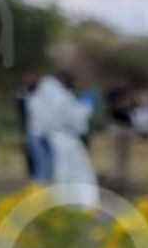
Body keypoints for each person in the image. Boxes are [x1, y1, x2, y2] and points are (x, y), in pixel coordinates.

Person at [26, 72, 97, 206]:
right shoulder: (60, 95)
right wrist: (87, 105)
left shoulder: (43, 93)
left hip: (44, 135)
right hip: (62, 138)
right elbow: (74, 119)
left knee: (47, 170)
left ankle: (41, 198)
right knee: (65, 171)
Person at [106, 82, 136, 193]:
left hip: (126, 125)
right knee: (116, 153)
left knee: (125, 155)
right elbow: (111, 105)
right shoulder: (113, 93)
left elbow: (134, 105)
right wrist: (121, 104)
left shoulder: (127, 93)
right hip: (116, 124)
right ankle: (115, 179)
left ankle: (124, 179)